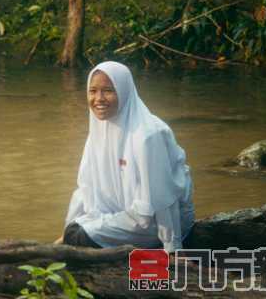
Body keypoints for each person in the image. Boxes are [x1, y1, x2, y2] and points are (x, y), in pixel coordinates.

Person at [59, 61, 194, 252]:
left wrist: (173, 246)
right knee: (73, 232)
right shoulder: (99, 129)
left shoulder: (148, 135)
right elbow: (86, 187)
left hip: (154, 222)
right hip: (123, 214)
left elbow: (164, 198)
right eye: (93, 91)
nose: (98, 98)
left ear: (124, 91)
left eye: (107, 90)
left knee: (78, 236)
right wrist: (66, 230)